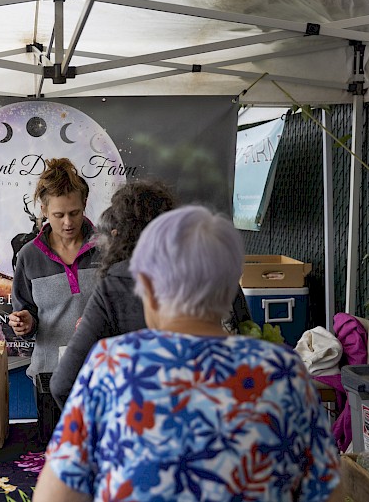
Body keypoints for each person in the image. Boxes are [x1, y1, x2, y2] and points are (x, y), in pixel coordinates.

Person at [35, 206, 342, 502]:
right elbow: (327, 492)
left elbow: (56, 495)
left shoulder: (111, 363)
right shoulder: (283, 371)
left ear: (148, 287)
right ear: (229, 290)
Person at [50, 180, 252, 407]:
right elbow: (249, 338)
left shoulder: (117, 285)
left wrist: (108, 425)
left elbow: (64, 384)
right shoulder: (283, 371)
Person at [8, 157, 100, 442]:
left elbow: (126, 309)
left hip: (102, 369)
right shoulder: (28, 257)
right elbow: (26, 312)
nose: (68, 222)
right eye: (59, 215)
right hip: (49, 374)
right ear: (44, 209)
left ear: (84, 205)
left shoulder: (109, 249)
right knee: (56, 454)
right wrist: (25, 322)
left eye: (74, 212)